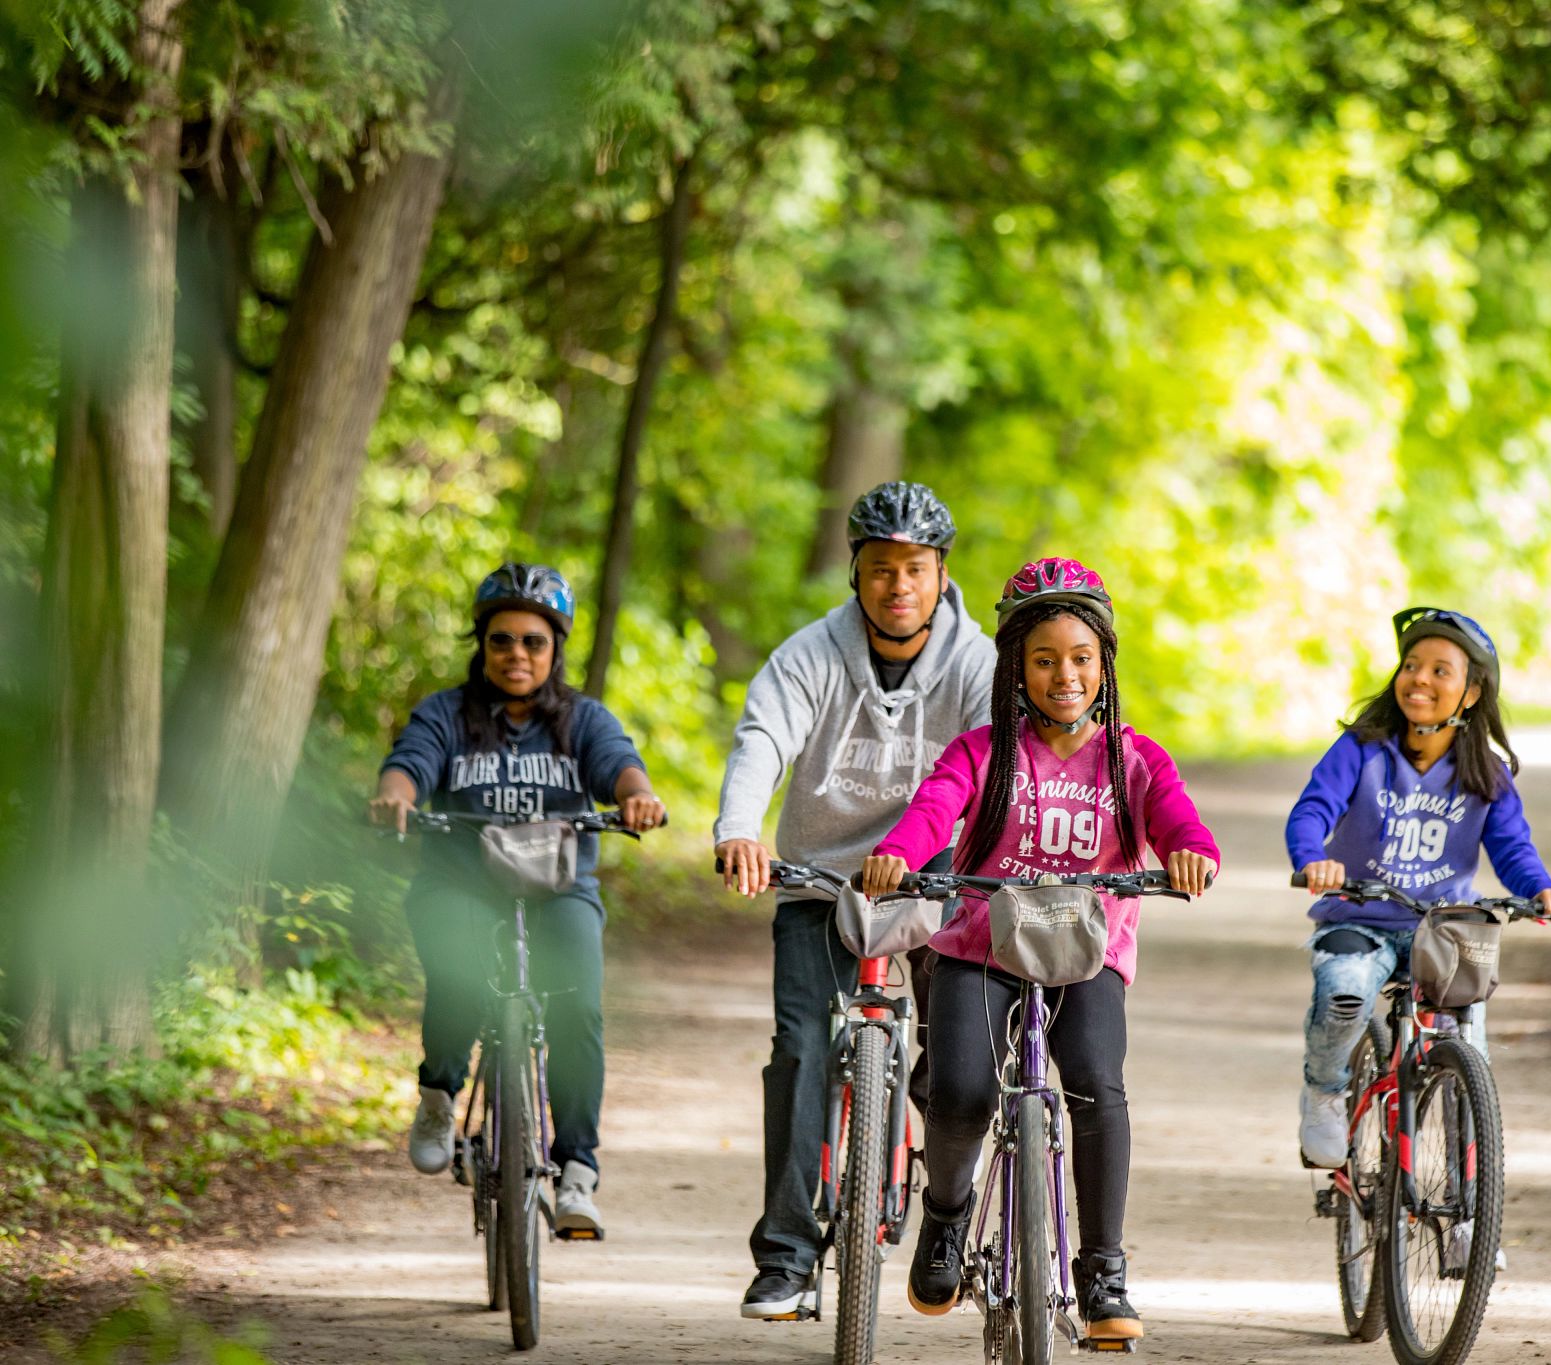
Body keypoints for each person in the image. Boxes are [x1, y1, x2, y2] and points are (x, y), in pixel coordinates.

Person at [862, 556, 1220, 1346]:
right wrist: (898, 853)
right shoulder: (984, 750)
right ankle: (948, 1215)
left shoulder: (1134, 758)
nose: (1065, 674)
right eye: (1045, 659)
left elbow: (1178, 819)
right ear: (1017, 669)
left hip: (1088, 951)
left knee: (1096, 1083)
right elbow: (933, 811)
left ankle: (1103, 1269)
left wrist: (1193, 852)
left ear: (1105, 664)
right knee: (958, 1092)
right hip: (981, 945)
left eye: (1082, 658)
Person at [714, 482, 995, 1320]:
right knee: (801, 1050)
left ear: (941, 574)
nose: (897, 584)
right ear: (855, 573)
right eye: (880, 568)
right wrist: (740, 827)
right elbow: (763, 736)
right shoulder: (807, 655)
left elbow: (998, 763)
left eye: (914, 567)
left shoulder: (978, 665)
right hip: (820, 876)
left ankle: (940, 1187)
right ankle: (789, 1256)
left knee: (958, 1065)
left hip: (937, 879)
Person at [369, 563, 666, 1240]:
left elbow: (618, 761)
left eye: (533, 642)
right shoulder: (448, 712)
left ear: (555, 648)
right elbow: (412, 759)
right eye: (502, 641)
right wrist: (396, 796)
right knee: (459, 971)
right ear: (483, 645)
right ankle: (440, 1093)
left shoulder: (580, 718)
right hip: (459, 885)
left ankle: (578, 1170)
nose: (517, 655)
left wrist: (636, 796)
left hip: (559, 888)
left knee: (578, 1008)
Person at [1285, 606, 1551, 1262]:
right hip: (1360, 915)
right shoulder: (1361, 749)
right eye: (1411, 665)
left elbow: (1515, 852)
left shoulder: (1487, 774)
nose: (1419, 679)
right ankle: (1327, 1088)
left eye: (1439, 670)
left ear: (1471, 692)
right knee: (1344, 989)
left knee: (1467, 1049)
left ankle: (1472, 1215)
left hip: (1445, 932)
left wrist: (1541, 890)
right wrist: (1314, 858)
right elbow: (1312, 810)